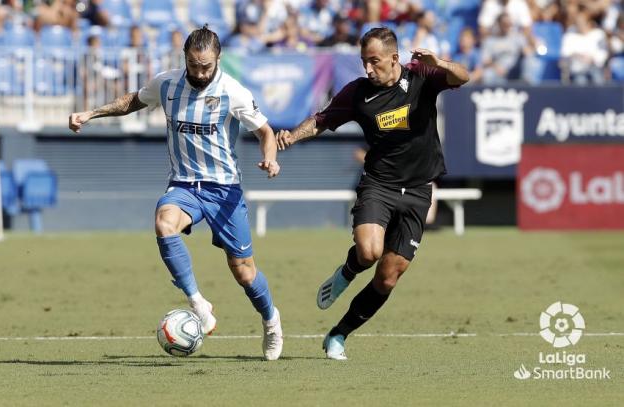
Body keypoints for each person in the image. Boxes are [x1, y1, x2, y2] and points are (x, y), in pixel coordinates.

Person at [68, 26, 284, 361]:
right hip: (184, 184)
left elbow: (266, 132)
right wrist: (91, 114)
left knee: (243, 270)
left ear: (218, 60)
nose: (200, 73)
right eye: (194, 65)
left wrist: (269, 158)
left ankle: (271, 321)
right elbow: (132, 101)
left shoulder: (233, 92)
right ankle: (198, 302)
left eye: (206, 67)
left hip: (224, 189)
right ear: (185, 58)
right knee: (163, 222)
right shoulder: (167, 83)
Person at [276, 27, 468, 360]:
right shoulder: (357, 93)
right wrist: (292, 138)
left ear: (395, 58)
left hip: (420, 190)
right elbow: (322, 120)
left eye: (374, 61)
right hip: (379, 184)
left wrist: (441, 62)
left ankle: (339, 334)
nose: (367, 69)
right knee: (368, 252)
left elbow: (463, 77)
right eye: (364, 61)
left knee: (389, 277)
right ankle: (346, 273)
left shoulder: (422, 75)